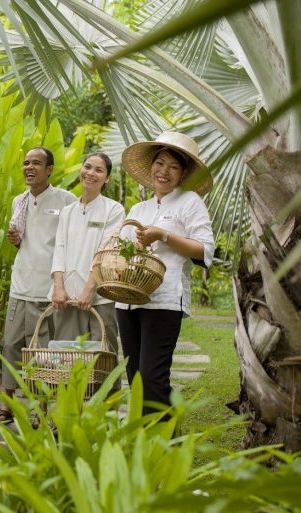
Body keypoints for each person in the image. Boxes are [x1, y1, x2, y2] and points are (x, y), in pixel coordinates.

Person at [116, 131, 214, 415]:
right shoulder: (139, 208)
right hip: (128, 299)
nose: (164, 172)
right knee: (135, 377)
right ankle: (143, 438)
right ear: (151, 167)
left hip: (165, 300)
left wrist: (164, 235)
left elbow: (204, 250)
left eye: (173, 167)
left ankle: (162, 444)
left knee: (153, 377)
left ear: (183, 174)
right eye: (160, 163)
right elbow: (123, 251)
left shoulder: (190, 202)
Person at [0, 147, 77, 421]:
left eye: (37, 163)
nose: (29, 167)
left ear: (50, 169)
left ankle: (41, 406)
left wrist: (62, 285)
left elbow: (69, 243)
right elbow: (24, 242)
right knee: (11, 345)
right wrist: (16, 240)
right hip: (20, 284)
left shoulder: (66, 200)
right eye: (26, 163)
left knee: (43, 351)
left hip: (48, 288)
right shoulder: (19, 201)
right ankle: (7, 403)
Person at [50, 152, 124, 366]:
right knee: (66, 358)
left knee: (103, 356)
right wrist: (58, 287)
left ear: (107, 178)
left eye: (99, 170)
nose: (91, 173)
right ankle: (70, 400)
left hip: (100, 296)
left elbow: (106, 252)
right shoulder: (67, 211)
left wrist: (90, 289)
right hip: (66, 296)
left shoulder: (114, 210)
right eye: (87, 167)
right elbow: (60, 249)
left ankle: (106, 399)